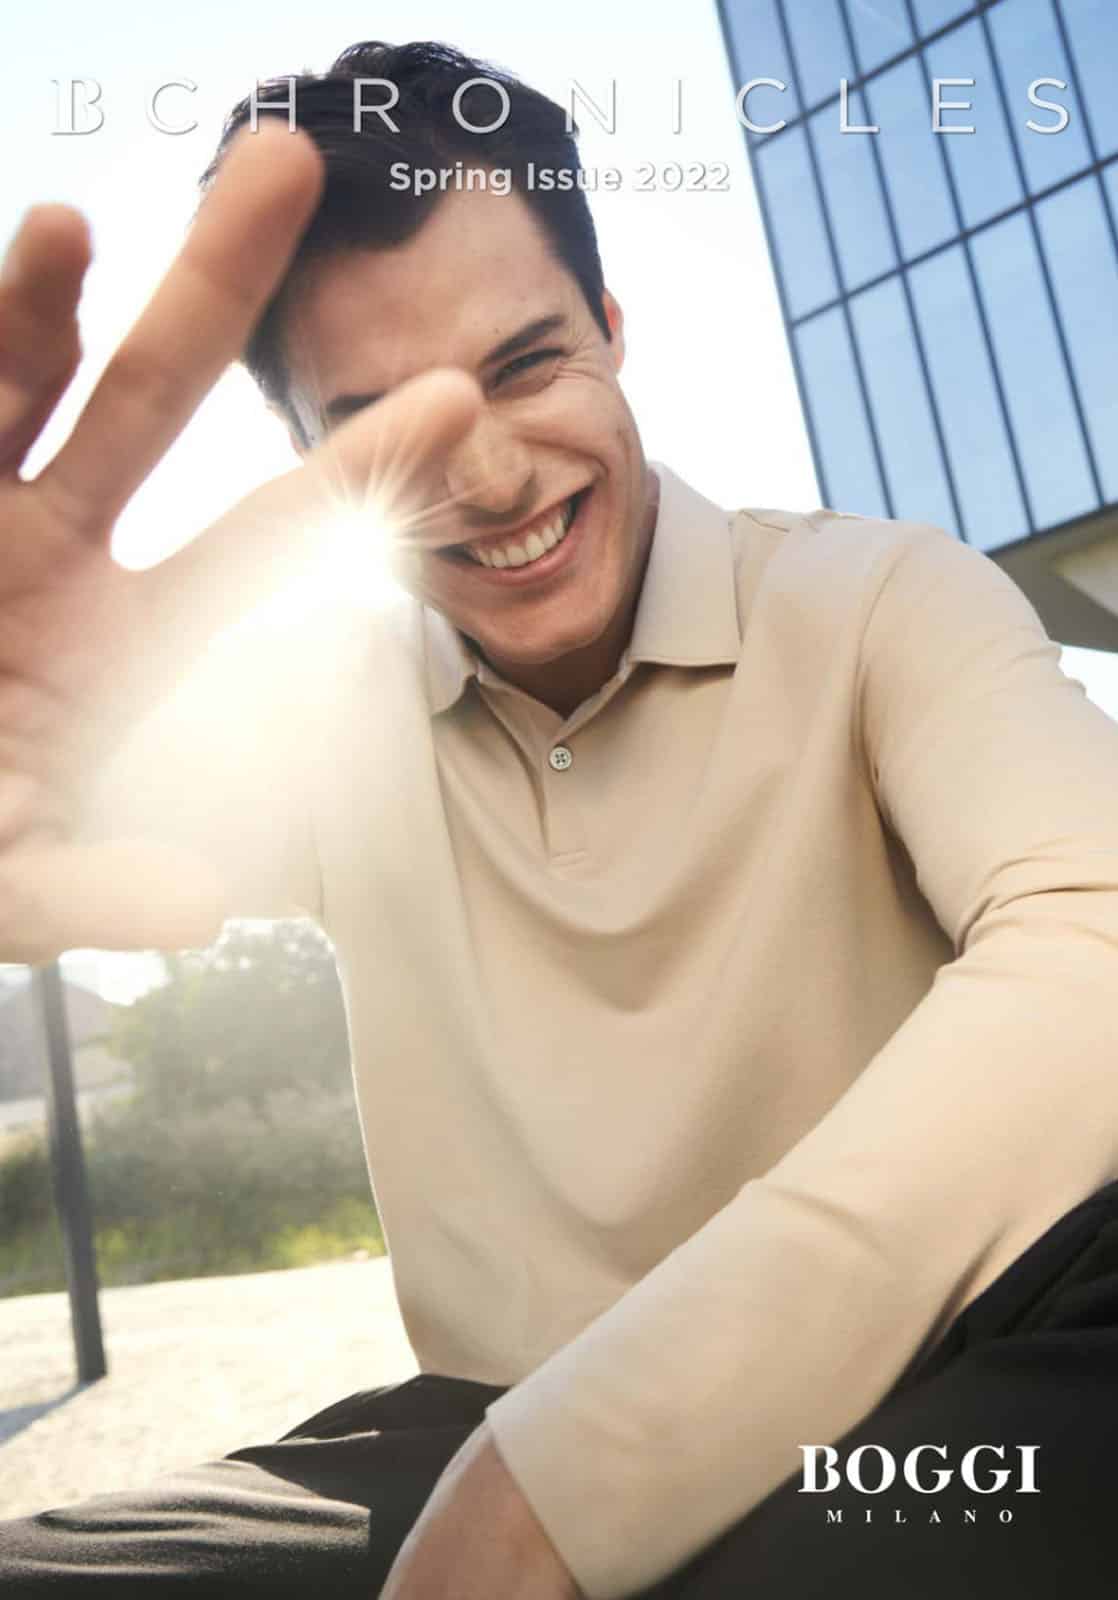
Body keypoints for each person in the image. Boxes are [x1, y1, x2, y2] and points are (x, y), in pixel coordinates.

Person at [2, 36, 1118, 1600]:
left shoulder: (879, 605)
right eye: (382, 422)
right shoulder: (306, 717)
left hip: (933, 1390)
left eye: (526, 365)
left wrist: (572, 1478)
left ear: (610, 324)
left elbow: (1097, 948)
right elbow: (38, 839)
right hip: (485, 1427)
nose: (490, 470)